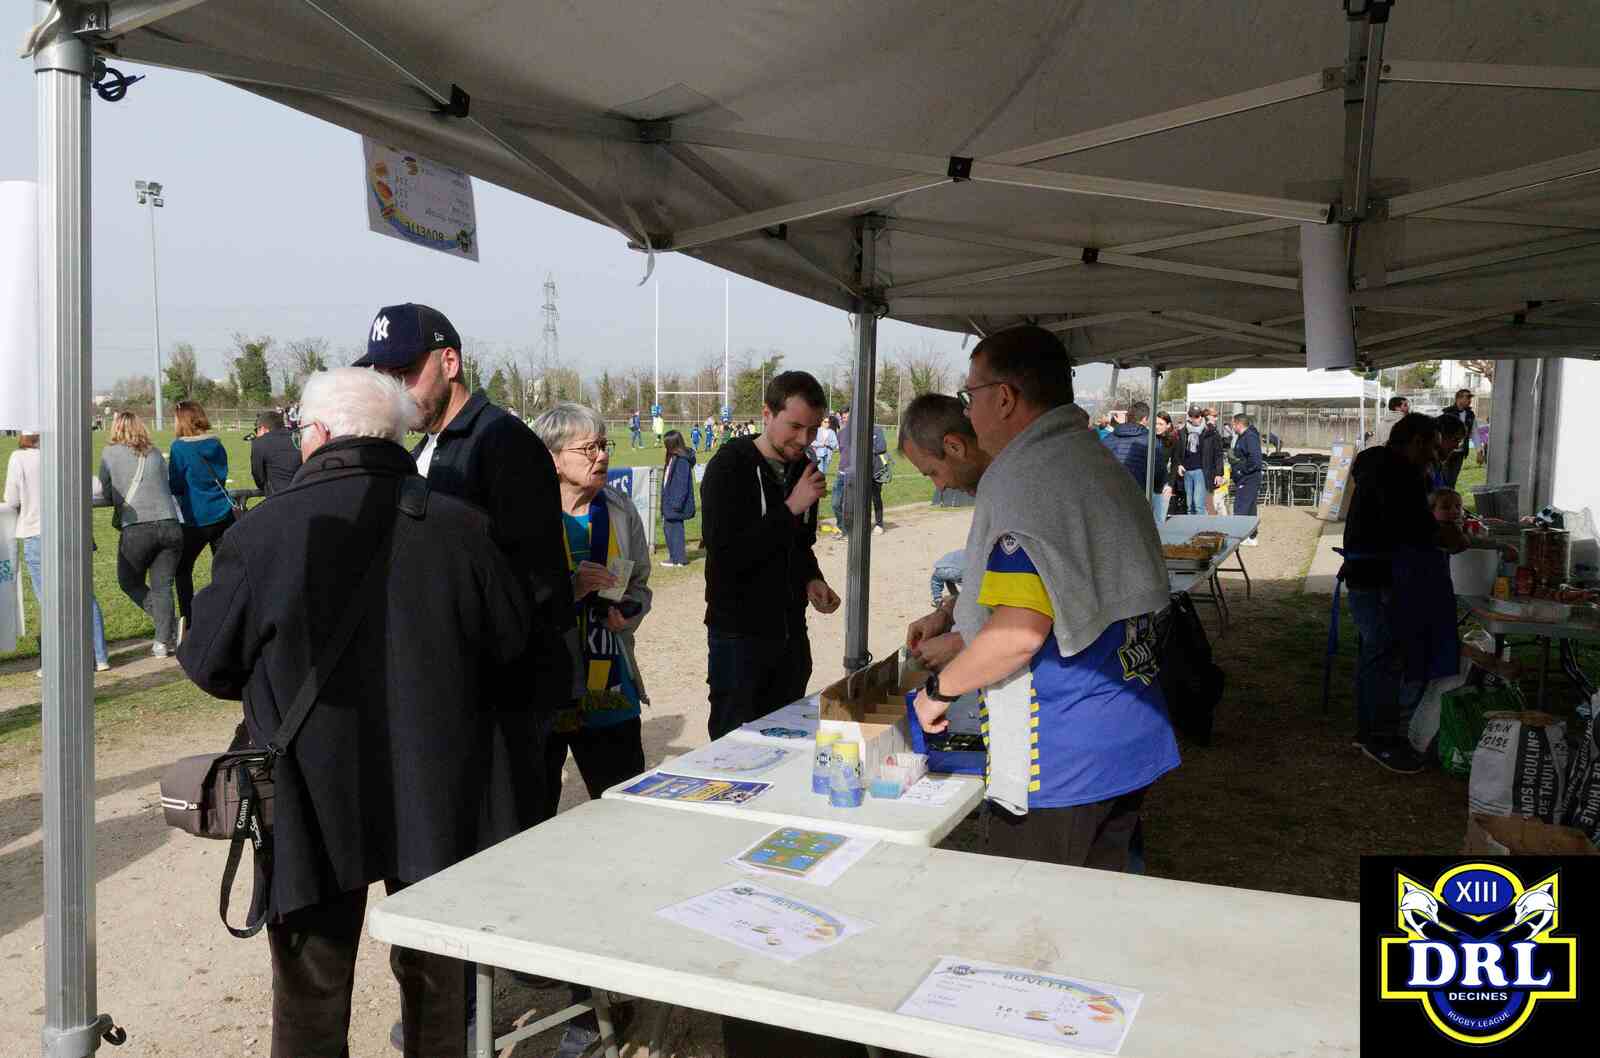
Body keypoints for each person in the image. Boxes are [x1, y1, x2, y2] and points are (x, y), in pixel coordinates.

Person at [178, 367, 534, 1058]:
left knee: (311, 984)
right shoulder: (462, 526)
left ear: (315, 434)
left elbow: (209, 662)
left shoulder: (264, 532)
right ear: (394, 435)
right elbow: (513, 644)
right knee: (437, 979)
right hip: (437, 782)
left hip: (312, 788)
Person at [908, 326, 1178, 871]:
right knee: (1103, 899)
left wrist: (938, 691)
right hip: (1129, 727)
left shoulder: (1025, 479)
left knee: (1028, 912)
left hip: (1062, 755)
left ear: (1004, 397)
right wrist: (957, 620)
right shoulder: (1090, 458)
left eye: (970, 395)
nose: (969, 411)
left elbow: (1019, 633)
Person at [701, 371, 840, 741]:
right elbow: (727, 556)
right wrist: (792, 506)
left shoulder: (805, 468)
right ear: (767, 414)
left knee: (789, 741)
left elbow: (799, 544)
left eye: (813, 429)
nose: (804, 439)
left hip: (791, 634)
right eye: (794, 426)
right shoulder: (728, 468)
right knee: (736, 745)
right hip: (739, 637)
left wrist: (812, 578)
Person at [1341, 413, 1471, 774]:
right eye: (1432, 446)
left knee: (1377, 655)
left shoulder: (1381, 466)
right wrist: (1457, 537)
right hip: (1377, 578)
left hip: (1371, 576)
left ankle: (1370, 731)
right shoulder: (1397, 474)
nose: (1436, 454)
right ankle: (1379, 738)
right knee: (1384, 656)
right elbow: (1422, 528)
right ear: (1416, 442)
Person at [3, 432, 110, 671]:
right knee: (84, 595)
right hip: (72, 531)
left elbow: (11, 499)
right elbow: (97, 487)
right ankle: (99, 655)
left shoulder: (19, 458)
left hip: (37, 532)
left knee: (49, 600)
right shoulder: (63, 454)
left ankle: (59, 659)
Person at [98, 411, 184, 657]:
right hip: (170, 524)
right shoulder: (154, 452)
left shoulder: (110, 453)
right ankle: (163, 642)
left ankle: (169, 627)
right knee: (163, 586)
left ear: (116, 428)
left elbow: (107, 491)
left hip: (137, 527)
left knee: (129, 581)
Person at [168, 400, 237, 639]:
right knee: (225, 570)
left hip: (196, 518)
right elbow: (222, 473)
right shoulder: (216, 443)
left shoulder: (179, 448)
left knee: (182, 570)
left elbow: (176, 484)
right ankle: (228, 618)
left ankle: (189, 622)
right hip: (223, 514)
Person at [1102, 400, 1160, 494]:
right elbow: (1158, 469)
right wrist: (1158, 488)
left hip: (1111, 493)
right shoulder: (1151, 441)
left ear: (1127, 417)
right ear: (1145, 418)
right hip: (1137, 493)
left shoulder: (1108, 439)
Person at [660, 428, 697, 567]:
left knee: (675, 530)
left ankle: (679, 559)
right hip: (669, 501)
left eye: (666, 444)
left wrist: (676, 503)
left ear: (673, 444)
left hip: (675, 502)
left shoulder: (682, 461)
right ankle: (674, 557)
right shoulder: (673, 458)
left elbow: (682, 483)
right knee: (669, 529)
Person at [1178, 405, 1223, 517]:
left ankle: (1201, 526)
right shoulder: (1183, 431)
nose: (1196, 419)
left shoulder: (1210, 431)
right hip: (1187, 471)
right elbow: (1178, 451)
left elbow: (1218, 454)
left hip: (1201, 471)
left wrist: (1219, 473)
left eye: (1198, 416)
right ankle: (1191, 526)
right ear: (1190, 417)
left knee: (1199, 504)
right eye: (1193, 416)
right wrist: (1179, 464)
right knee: (1189, 506)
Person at [1228, 413, 1264, 544]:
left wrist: (1241, 470)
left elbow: (1255, 460)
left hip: (1249, 478)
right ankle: (1251, 537)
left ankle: (1241, 536)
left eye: (1233, 424)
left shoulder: (1250, 437)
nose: (1232, 427)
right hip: (1245, 478)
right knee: (1250, 508)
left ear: (1239, 424)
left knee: (1241, 507)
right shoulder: (1242, 437)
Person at [249, 409, 302, 496]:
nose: (257, 434)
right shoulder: (298, 439)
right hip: (304, 493)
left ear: (263, 428)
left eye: (256, 430)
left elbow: (258, 476)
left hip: (278, 497)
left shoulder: (260, 443)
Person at [1440, 389, 1476, 487]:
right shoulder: (1447, 413)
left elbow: (1475, 433)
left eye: (1470, 398)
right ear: (1458, 399)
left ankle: (1450, 495)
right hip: (1447, 452)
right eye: (1467, 397)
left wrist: (1479, 451)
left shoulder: (1470, 415)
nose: (1470, 400)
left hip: (1460, 453)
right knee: (1443, 479)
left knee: (1452, 481)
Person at [1431, 414, 1467, 491]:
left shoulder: (1436, 465)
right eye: (1455, 440)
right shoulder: (1421, 469)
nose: (1456, 446)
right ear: (1439, 436)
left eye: (1459, 441)